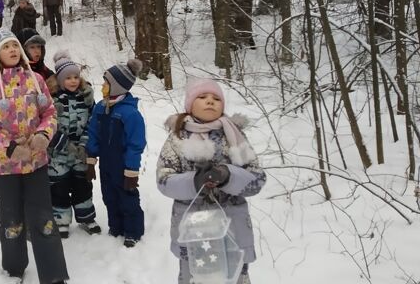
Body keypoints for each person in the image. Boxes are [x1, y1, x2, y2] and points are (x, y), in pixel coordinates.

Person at [0, 28, 69, 284]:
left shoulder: (36, 80)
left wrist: (44, 135)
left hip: (36, 163)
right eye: (6, 47)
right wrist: (8, 147)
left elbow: (50, 113)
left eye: (14, 46)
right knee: (11, 221)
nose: (12, 50)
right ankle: (14, 270)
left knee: (44, 219)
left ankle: (54, 274)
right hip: (3, 169)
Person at [156, 79, 266, 284]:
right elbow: (164, 181)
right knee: (194, 277)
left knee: (235, 277)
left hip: (232, 229)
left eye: (216, 98)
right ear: (190, 104)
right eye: (203, 97)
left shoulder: (234, 136)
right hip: (193, 232)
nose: (210, 101)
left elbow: (257, 179)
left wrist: (228, 175)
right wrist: (194, 182)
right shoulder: (177, 138)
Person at [86, 59, 146, 248]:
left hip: (123, 164)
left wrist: (131, 171)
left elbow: (136, 144)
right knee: (109, 195)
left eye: (106, 83)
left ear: (118, 87)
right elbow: (93, 133)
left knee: (127, 197)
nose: (103, 86)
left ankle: (133, 231)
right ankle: (116, 227)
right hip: (106, 163)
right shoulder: (100, 108)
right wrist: (90, 159)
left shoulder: (130, 114)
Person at [46, 51, 101, 238]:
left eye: (76, 77)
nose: (73, 81)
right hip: (57, 154)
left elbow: (93, 122)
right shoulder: (52, 99)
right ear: (60, 80)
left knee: (83, 186)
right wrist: (62, 144)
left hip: (81, 153)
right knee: (59, 187)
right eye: (68, 78)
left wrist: (84, 144)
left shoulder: (86, 97)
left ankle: (86, 218)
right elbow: (48, 124)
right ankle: (61, 220)